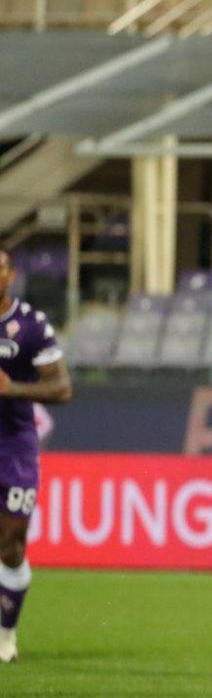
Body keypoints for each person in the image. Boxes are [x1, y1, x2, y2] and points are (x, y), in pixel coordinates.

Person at [0, 249, 73, 664]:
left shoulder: (29, 325)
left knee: (10, 546)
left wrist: (14, 390)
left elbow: (62, 388)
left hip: (13, 445)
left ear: (9, 275)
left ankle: (6, 634)